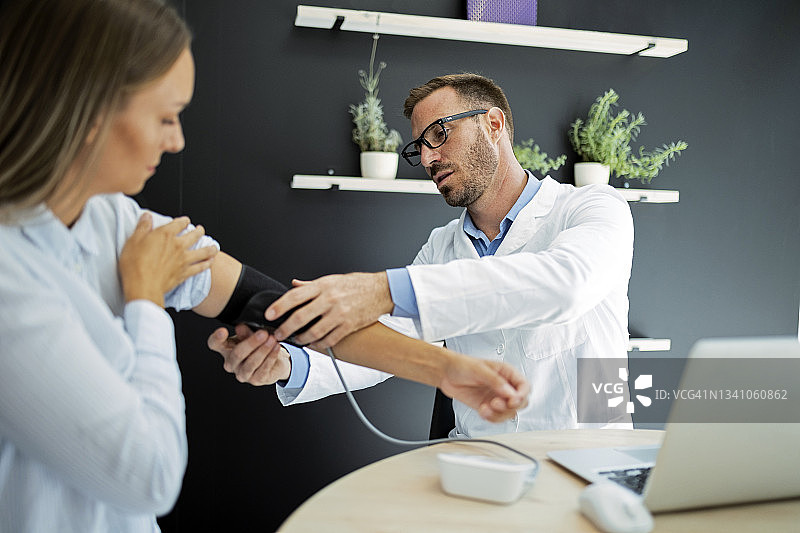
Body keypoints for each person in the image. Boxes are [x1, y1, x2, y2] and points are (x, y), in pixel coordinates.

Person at [0, 3, 529, 530]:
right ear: (85, 109)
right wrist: (144, 299)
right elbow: (150, 477)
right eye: (165, 116)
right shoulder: (13, 279)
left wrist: (451, 372)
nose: (177, 139)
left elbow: (283, 309)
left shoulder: (116, 222)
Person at [210, 73, 635, 437]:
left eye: (439, 134)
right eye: (419, 148)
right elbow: (387, 342)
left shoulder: (593, 207)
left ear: (493, 124)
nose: (428, 158)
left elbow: (566, 285)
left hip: (591, 462)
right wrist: (287, 364)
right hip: (481, 467)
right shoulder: (442, 248)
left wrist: (382, 288)